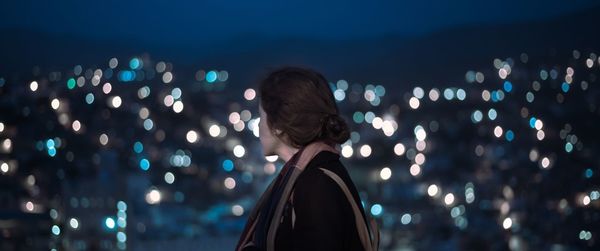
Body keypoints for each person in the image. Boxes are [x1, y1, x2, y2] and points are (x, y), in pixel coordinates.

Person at [236, 66, 377, 251]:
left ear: (278, 126)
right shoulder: (308, 176)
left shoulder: (315, 185)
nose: (259, 126)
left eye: (261, 117)